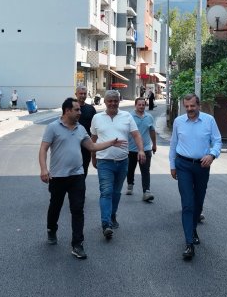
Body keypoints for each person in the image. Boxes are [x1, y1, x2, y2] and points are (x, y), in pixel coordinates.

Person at [39, 98, 126, 260]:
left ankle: (77, 244)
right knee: (55, 206)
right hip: (58, 176)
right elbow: (43, 149)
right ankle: (51, 229)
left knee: (78, 210)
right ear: (67, 111)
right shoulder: (53, 127)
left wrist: (111, 143)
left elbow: (92, 146)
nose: (80, 112)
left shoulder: (81, 129)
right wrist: (44, 169)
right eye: (77, 110)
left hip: (77, 176)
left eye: (80, 109)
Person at [169, 93, 222, 260]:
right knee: (187, 204)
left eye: (192, 106)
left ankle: (192, 229)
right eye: (187, 106)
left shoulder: (209, 120)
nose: (190, 109)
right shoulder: (178, 122)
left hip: (202, 166)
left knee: (198, 203)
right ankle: (189, 243)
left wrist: (212, 155)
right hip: (183, 165)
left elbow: (218, 141)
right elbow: (173, 144)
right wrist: (172, 165)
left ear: (198, 105)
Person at [91, 90, 145, 239]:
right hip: (104, 161)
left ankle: (112, 215)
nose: (113, 103)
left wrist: (141, 150)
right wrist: (93, 156)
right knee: (106, 192)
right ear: (105, 102)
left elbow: (136, 135)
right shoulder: (97, 118)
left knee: (116, 192)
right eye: (110, 101)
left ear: (119, 101)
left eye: (115, 100)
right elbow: (93, 139)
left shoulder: (127, 116)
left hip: (122, 162)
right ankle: (106, 224)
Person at [126, 97, 157, 202]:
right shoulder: (129, 116)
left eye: (143, 104)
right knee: (130, 169)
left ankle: (146, 191)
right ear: (135, 105)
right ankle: (130, 184)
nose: (141, 106)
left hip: (146, 148)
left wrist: (154, 144)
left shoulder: (149, 117)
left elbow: (152, 131)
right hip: (131, 149)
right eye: (139, 104)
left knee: (145, 170)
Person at [75, 85, 97, 176]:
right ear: (76, 94)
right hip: (72, 143)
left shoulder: (91, 109)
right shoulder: (70, 108)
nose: (83, 95)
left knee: (84, 168)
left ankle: (81, 183)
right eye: (81, 93)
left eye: (84, 94)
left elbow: (95, 128)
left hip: (86, 144)